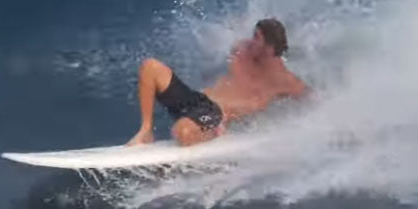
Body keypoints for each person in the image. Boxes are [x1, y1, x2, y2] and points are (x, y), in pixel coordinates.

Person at [127, 18, 308, 147]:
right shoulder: (242, 51)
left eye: (256, 37)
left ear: (269, 47)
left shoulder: (285, 80)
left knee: (182, 133)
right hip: (197, 101)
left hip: (216, 115)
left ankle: (214, 133)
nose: (250, 41)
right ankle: (146, 131)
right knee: (150, 67)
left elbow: (312, 101)